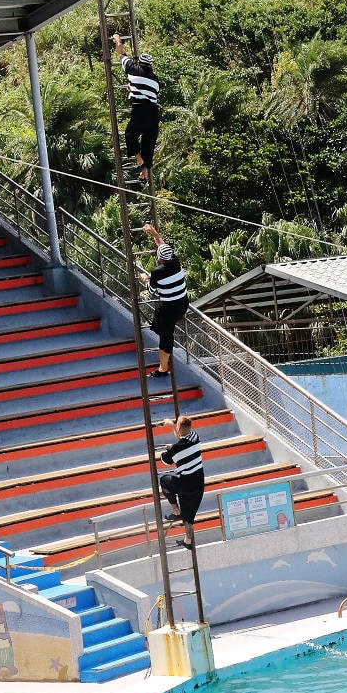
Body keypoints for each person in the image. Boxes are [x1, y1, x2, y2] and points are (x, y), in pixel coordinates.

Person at [143, 225, 189, 381]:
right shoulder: (175, 261)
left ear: (160, 258)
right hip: (182, 304)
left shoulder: (157, 272)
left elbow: (152, 291)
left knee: (165, 336)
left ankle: (163, 369)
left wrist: (145, 279)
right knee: (159, 324)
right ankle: (165, 358)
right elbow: (161, 245)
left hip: (170, 308)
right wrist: (155, 233)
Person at [112, 32, 160, 181]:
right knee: (148, 145)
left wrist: (117, 38)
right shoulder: (156, 80)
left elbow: (120, 51)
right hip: (153, 112)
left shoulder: (133, 68)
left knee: (130, 134)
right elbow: (149, 93)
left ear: (139, 62)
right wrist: (132, 88)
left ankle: (139, 161)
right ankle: (143, 173)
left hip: (140, 110)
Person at [158, 412, 204, 540]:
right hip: (199, 486)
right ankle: (188, 541)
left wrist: (168, 449)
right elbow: (181, 439)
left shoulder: (175, 449)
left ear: (179, 428)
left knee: (164, 480)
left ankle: (176, 510)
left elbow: (165, 461)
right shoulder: (195, 437)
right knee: (189, 516)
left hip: (185, 485)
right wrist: (173, 426)